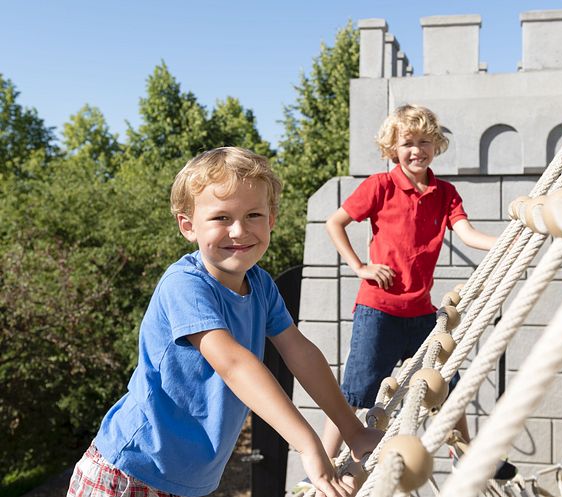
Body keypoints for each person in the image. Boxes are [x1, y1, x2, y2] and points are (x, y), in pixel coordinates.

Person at [66, 147, 380, 497]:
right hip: (129, 472)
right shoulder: (185, 285)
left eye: (254, 215)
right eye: (221, 218)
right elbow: (232, 364)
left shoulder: (260, 285)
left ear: (272, 218)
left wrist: (351, 429)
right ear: (188, 226)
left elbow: (299, 352)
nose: (239, 231)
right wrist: (308, 444)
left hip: (188, 481)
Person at [320, 104, 497, 460]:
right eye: (408, 143)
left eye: (425, 141)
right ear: (392, 150)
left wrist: (511, 239)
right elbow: (334, 223)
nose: (417, 150)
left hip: (420, 313)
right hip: (378, 311)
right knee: (356, 392)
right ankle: (322, 463)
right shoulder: (380, 186)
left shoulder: (445, 193)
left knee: (445, 378)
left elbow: (466, 233)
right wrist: (361, 267)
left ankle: (463, 450)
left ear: (436, 145)